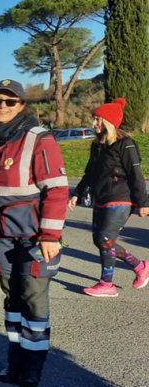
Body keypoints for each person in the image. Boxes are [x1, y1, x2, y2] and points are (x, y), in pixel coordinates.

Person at [0, 79, 68, 387]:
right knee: (11, 297)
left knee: (33, 298)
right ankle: (14, 360)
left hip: (33, 236)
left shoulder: (38, 139)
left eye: (10, 101)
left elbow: (56, 190)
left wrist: (50, 236)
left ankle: (33, 367)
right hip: (0, 234)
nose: (2, 105)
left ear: (22, 106)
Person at [69, 97, 149, 297]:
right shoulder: (97, 145)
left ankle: (107, 284)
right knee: (101, 240)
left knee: (105, 239)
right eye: (94, 119)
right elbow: (89, 173)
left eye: (98, 119)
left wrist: (143, 202)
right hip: (102, 197)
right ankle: (140, 267)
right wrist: (76, 194)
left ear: (109, 122)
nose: (94, 123)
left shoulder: (126, 144)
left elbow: (135, 175)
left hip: (122, 197)